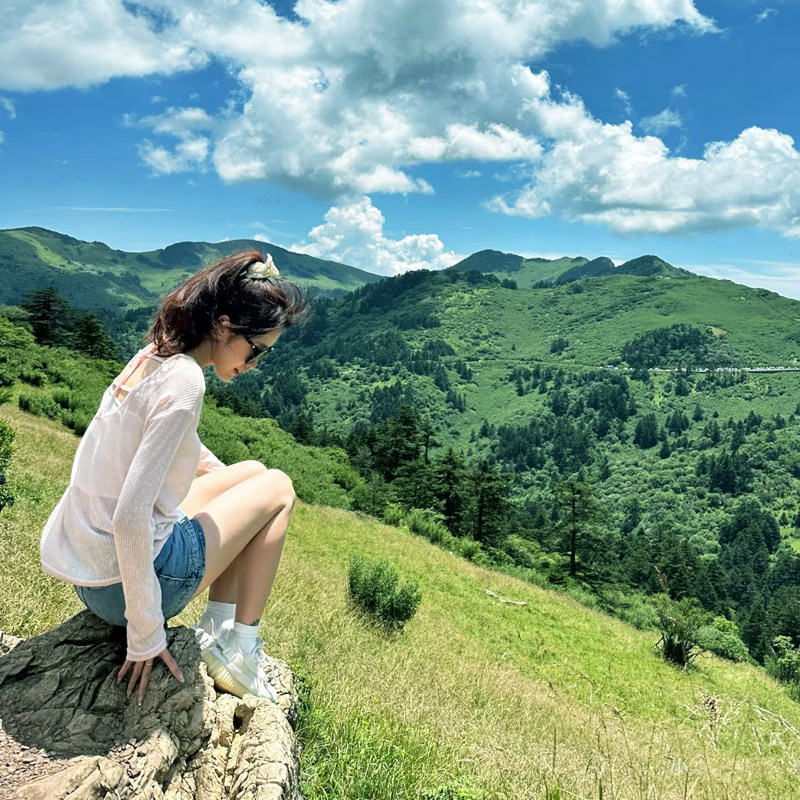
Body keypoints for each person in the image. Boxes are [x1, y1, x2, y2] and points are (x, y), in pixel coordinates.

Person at [40, 250, 309, 706]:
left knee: (253, 475)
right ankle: (240, 648)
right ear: (224, 326)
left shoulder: (154, 357)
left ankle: (216, 628)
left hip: (90, 573)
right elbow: (131, 517)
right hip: (130, 588)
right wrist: (146, 633)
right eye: (256, 349)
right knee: (279, 487)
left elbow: (169, 440)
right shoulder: (187, 381)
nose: (254, 364)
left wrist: (240, 495)